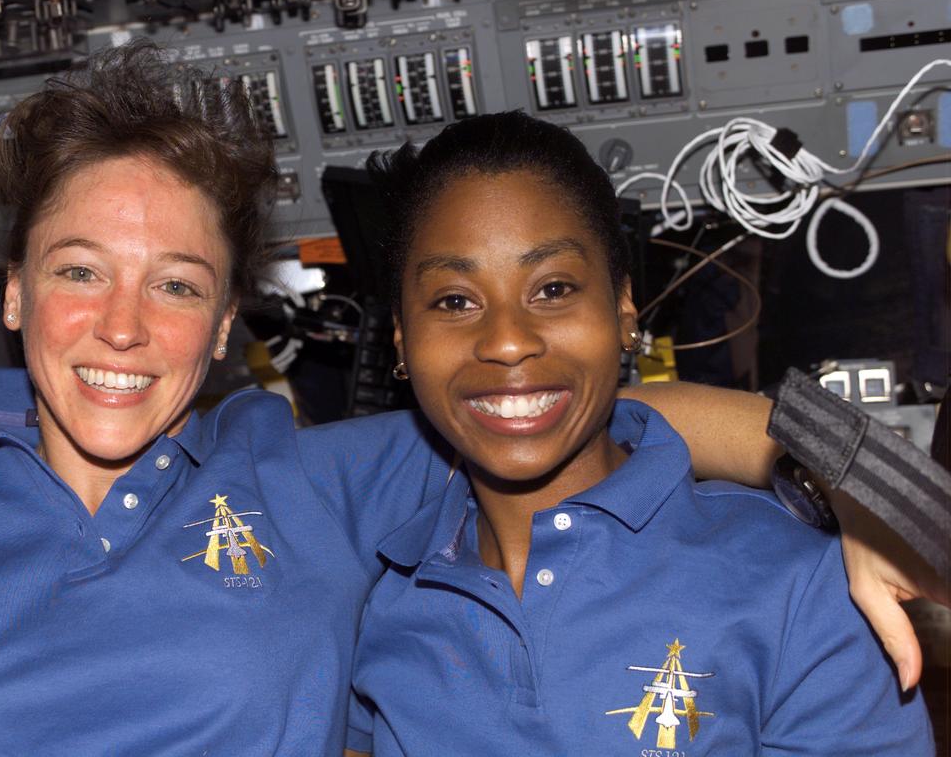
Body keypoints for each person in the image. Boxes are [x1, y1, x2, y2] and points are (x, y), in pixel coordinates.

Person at [0, 42, 935, 756]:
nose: (123, 325)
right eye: (80, 270)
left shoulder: (290, 476)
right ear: (14, 291)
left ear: (226, 324)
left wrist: (849, 481)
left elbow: (549, 409)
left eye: (176, 284)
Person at [348, 111, 934, 755]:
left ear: (624, 311)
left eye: (553, 288)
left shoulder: (796, 585)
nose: (508, 340)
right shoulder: (373, 604)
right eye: (455, 300)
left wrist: (854, 475)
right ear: (402, 341)